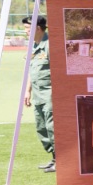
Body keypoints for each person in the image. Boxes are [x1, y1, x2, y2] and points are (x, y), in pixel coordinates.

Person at [23, 15, 55, 173]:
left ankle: (61, 160)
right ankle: (55, 158)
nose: (25, 32)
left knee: (52, 127)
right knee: (41, 127)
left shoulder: (50, 44)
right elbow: (32, 69)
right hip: (37, 94)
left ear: (37, 28)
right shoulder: (33, 46)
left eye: (27, 28)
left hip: (50, 93)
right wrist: (27, 91)